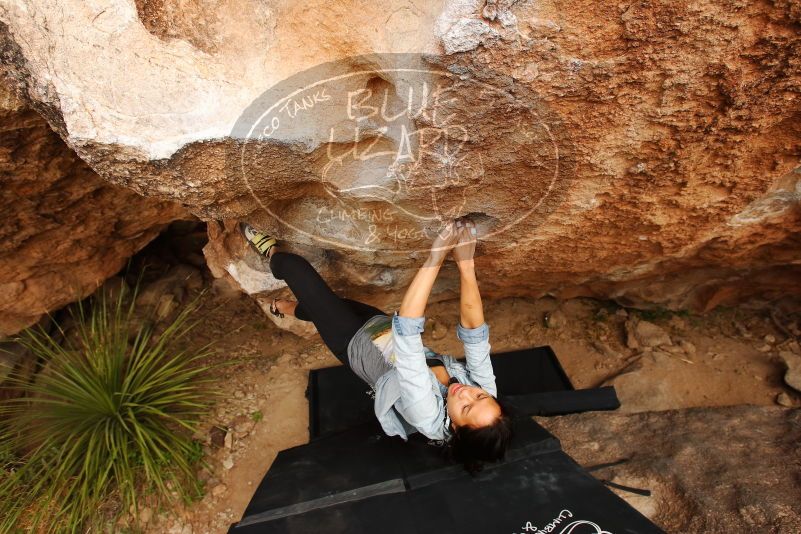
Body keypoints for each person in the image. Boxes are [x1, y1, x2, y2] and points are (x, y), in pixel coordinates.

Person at [240, 217, 514, 474]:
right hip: (381, 325)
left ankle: (272, 254)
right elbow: (475, 333)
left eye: (465, 407)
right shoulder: (485, 392)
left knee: (295, 268)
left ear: (455, 428)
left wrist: (436, 256)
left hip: (354, 343)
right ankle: (283, 307)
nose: (467, 393)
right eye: (480, 397)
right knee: (322, 305)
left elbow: (408, 336)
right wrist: (466, 265)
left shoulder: (426, 414)